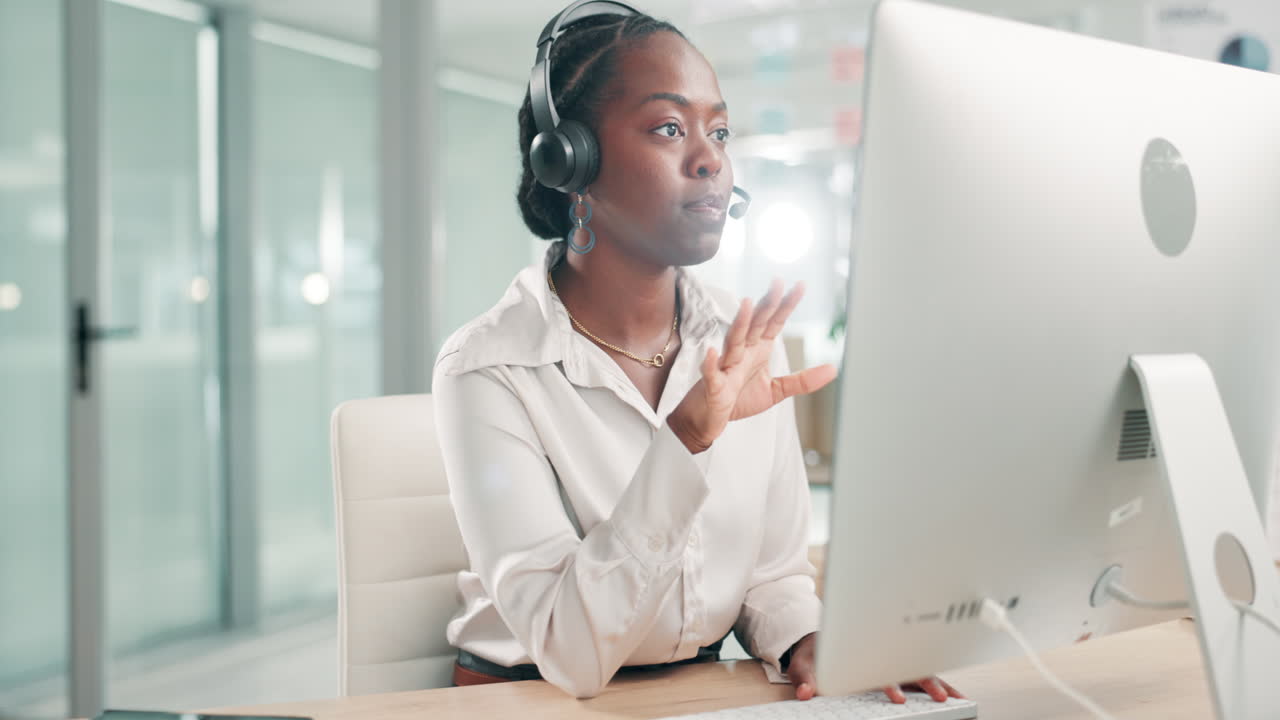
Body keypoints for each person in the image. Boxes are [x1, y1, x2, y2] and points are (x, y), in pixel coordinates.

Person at [433, 2, 963, 706]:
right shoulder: (490, 367)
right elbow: (569, 650)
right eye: (670, 128)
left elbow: (774, 576)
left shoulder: (737, 346)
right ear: (572, 159)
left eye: (720, 130)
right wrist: (684, 442)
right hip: (528, 702)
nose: (711, 158)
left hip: (695, 694)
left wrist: (811, 643)